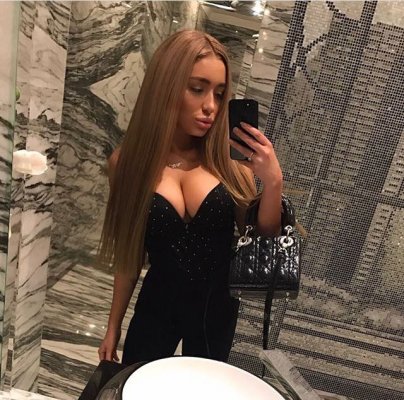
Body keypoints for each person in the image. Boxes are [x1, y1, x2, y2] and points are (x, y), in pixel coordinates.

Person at [97, 30, 283, 366]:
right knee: (141, 384)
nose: (210, 106)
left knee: (203, 388)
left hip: (216, 311)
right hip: (156, 306)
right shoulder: (126, 164)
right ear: (165, 86)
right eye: (197, 89)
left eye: (219, 94)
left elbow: (264, 239)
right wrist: (113, 326)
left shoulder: (230, 166)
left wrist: (273, 181)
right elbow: (129, 256)